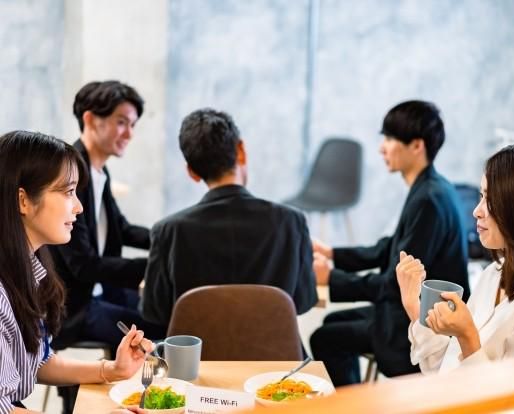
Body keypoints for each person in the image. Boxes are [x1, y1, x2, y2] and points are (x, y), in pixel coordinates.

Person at [310, 100, 470, 385]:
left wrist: (332, 278)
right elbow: (389, 247)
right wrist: (332, 253)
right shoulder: (431, 187)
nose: (382, 148)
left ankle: (354, 403)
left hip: (416, 324)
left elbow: (394, 284)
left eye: (390, 138)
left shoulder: (429, 200)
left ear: (417, 145)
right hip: (402, 311)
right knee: (331, 324)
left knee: (324, 338)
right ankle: (357, 397)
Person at [0, 130, 153, 413]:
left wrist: (112, 370)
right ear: (23, 201)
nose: (79, 207)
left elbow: (38, 362)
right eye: (68, 192)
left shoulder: (28, 271)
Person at [140, 108, 318, 329]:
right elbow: (303, 301)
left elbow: (155, 311)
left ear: (192, 172)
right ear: (241, 150)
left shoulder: (168, 230)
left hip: (199, 351)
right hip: (276, 350)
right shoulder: (291, 222)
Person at [397, 141, 514, 374]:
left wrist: (467, 336)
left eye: (491, 201)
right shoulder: (494, 274)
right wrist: (413, 305)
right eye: (481, 196)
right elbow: (445, 370)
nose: (476, 211)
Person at [48, 80, 165, 356]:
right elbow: (83, 264)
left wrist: (169, 239)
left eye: (132, 125)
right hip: (75, 306)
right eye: (122, 122)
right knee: (161, 327)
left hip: (99, 292)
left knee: (163, 310)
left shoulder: (99, 171)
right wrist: (154, 266)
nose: (129, 134)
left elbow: (122, 229)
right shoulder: (72, 173)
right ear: (90, 119)